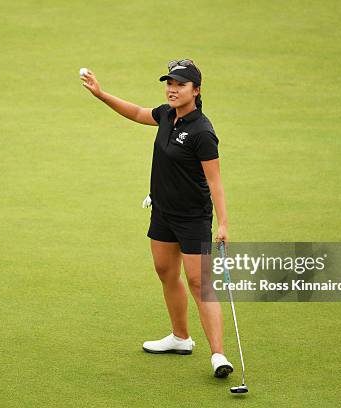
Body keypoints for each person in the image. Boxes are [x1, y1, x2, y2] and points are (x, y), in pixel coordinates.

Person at [80, 59, 233, 378]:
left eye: (180, 85)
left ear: (196, 90)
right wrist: (102, 94)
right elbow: (137, 113)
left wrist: (223, 223)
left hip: (193, 218)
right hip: (163, 211)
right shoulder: (166, 115)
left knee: (199, 283)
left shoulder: (202, 131)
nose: (173, 89)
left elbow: (215, 181)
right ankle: (180, 338)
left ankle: (218, 355)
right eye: (170, 84)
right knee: (165, 271)